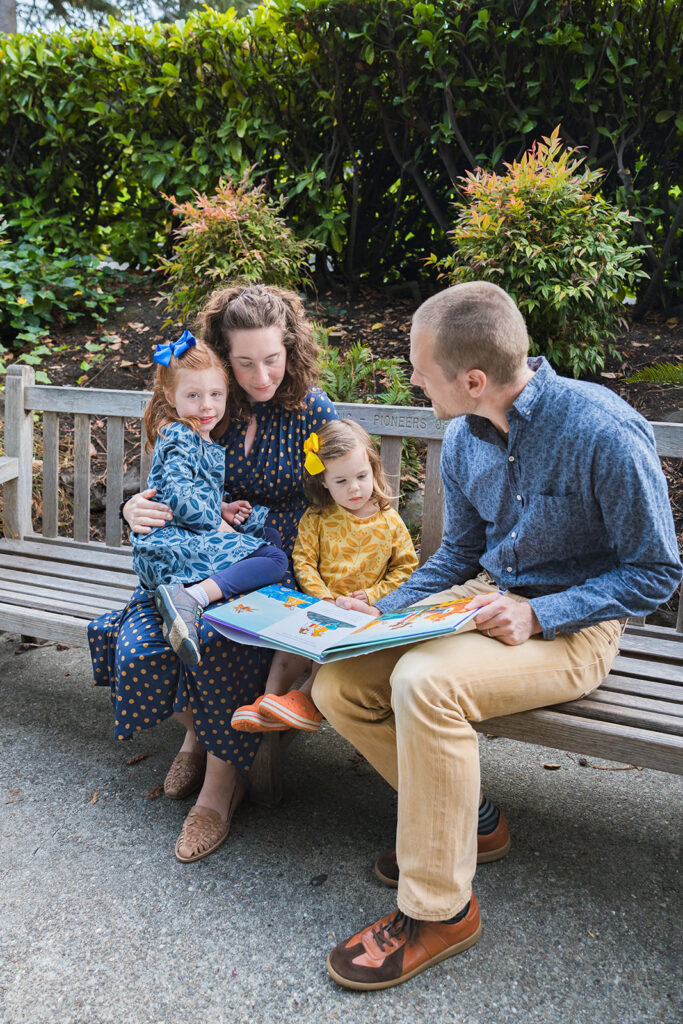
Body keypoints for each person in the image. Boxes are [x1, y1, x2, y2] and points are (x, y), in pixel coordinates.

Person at [311, 281, 682, 991]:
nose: (414, 379)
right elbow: (457, 555)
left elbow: (655, 573)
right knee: (339, 680)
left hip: (575, 627)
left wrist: (541, 614)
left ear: (473, 380)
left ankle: (439, 909)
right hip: (482, 599)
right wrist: (382, 613)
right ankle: (470, 822)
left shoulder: (603, 433)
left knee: (423, 683)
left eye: (421, 369)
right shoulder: (463, 435)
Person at [88, 284, 337, 863]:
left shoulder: (311, 410)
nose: (261, 375)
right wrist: (133, 509)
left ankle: (218, 792)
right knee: (136, 642)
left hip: (274, 560)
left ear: (291, 348)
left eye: (272, 359)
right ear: (222, 355)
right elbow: (170, 481)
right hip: (199, 550)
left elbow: (347, 483)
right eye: (244, 362)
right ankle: (200, 730)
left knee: (223, 644)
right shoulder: (209, 402)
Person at [230, 419, 419, 733]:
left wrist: (373, 595)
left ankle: (306, 701)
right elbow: (303, 561)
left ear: (373, 469)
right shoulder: (317, 518)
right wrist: (324, 597)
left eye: (361, 476)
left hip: (364, 615)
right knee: (291, 641)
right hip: (321, 604)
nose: (355, 488)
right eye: (341, 481)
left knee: (331, 646)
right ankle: (269, 701)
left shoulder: (390, 522)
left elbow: (405, 568)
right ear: (325, 483)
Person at [130, 331, 288, 666]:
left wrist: (223, 507)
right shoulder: (177, 435)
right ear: (171, 396)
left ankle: (191, 597)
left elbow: (193, 489)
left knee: (267, 536)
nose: (207, 406)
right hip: (168, 550)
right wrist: (216, 523)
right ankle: (189, 598)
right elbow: (177, 495)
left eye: (216, 394)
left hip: (179, 542)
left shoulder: (198, 437)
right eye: (194, 395)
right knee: (274, 559)